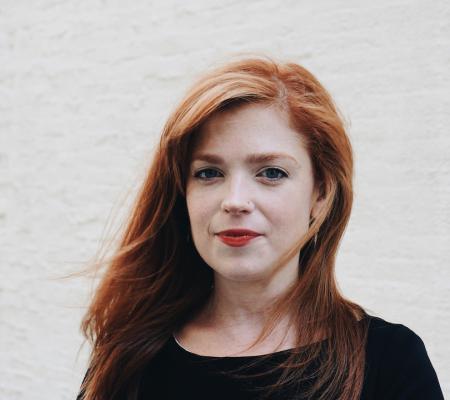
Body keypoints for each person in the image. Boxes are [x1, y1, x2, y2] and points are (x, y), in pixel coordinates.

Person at [76, 57, 444, 400]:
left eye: (271, 172)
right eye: (209, 173)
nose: (234, 200)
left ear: (320, 193)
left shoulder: (390, 361)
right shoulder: (131, 357)